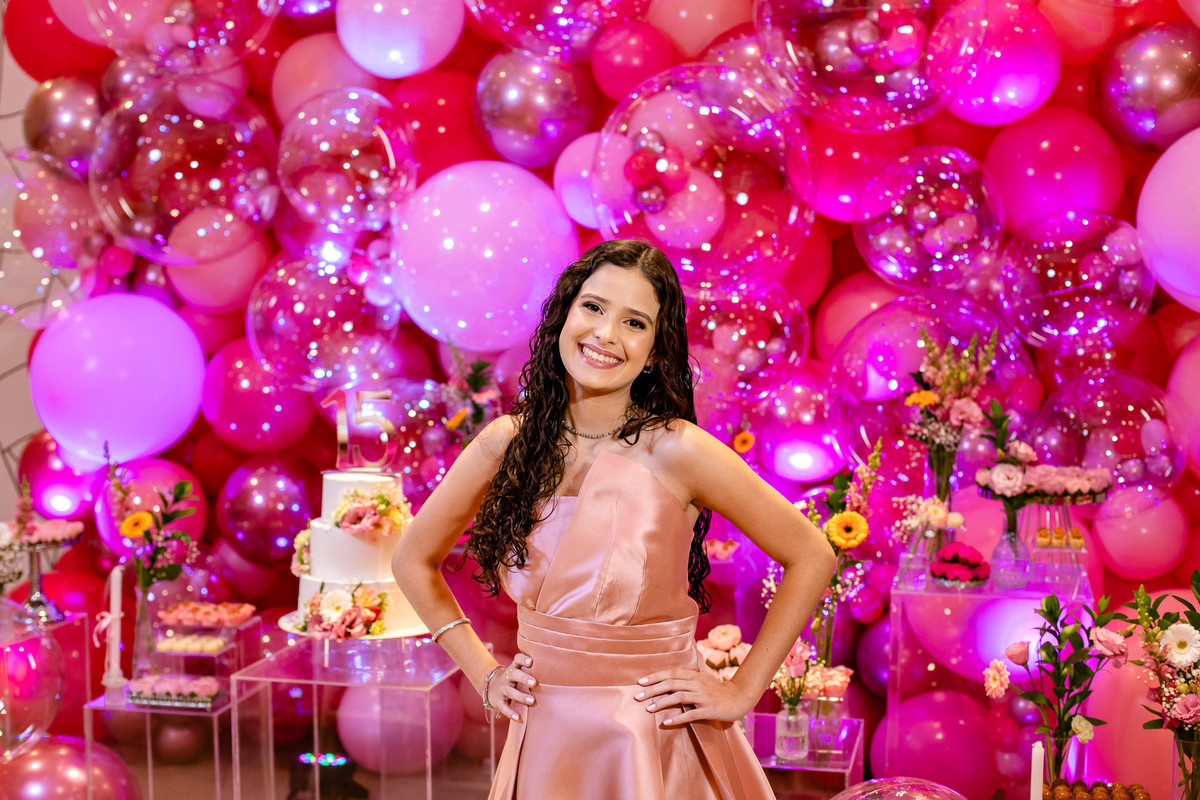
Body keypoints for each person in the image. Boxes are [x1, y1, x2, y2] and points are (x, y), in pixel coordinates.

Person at [393, 239, 836, 799]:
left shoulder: (678, 450)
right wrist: (484, 673)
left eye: (634, 322)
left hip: (654, 739)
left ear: (653, 351)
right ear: (564, 314)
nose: (605, 334)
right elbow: (412, 559)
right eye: (594, 307)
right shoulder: (507, 442)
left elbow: (812, 555)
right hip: (546, 738)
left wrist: (743, 690)